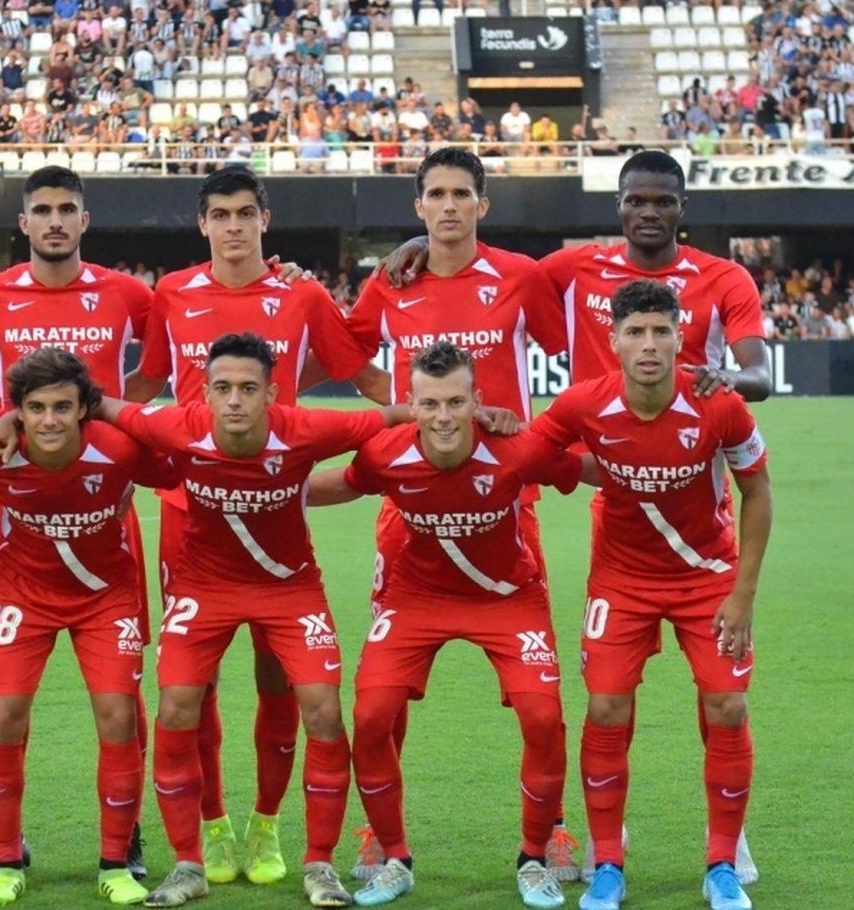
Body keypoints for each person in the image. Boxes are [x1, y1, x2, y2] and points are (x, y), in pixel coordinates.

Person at [382, 149, 768, 882]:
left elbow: (760, 373)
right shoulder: (574, 269)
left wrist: (724, 378)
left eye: (662, 201)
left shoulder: (723, 278)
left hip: (696, 482)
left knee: (720, 694)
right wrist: (420, 244)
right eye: (635, 200)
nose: (648, 212)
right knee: (611, 698)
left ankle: (728, 833)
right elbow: (486, 262)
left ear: (682, 208)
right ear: (618, 206)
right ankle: (603, 838)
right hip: (609, 481)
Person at [94, 331, 412, 909]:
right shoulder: (179, 426)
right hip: (203, 587)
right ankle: (189, 863)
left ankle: (318, 864)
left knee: (322, 708)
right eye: (223, 388)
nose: (234, 400)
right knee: (176, 706)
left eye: (247, 388)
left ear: (271, 393)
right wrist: (19, 413)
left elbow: (393, 415)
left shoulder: (307, 429)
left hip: (289, 588)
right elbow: (108, 407)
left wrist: (480, 416)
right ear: (205, 393)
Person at [134, 168, 386, 890]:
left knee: (282, 682)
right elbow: (145, 388)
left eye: (246, 213)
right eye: (220, 214)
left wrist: (440, 415)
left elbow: (363, 380)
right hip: (191, 520)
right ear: (202, 224)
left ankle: (268, 823)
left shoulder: (302, 295)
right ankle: (211, 824)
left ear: (265, 220)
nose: (234, 226)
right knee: (194, 686)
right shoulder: (171, 293)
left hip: (276, 516)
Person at [339, 145, 580, 885]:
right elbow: (347, 353)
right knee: (382, 697)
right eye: (436, 195)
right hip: (411, 508)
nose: (448, 206)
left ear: (483, 204)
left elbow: (574, 354)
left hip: (504, 502)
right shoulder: (392, 280)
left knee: (540, 708)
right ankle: (381, 833)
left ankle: (552, 830)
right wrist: (400, 411)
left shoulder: (519, 276)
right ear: (419, 207)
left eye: (460, 194)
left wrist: (526, 430)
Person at [306, 340, 587, 909]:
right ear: (410, 404)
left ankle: (534, 858)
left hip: (506, 597)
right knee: (371, 714)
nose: (442, 417)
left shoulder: (516, 448)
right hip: (418, 597)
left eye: (455, 403)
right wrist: (259, 490)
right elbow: (344, 485)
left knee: (543, 717)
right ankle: (395, 858)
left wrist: (661, 470)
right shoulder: (387, 453)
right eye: (429, 404)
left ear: (477, 402)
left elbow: (579, 469)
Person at [528, 279, 770, 910]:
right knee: (606, 707)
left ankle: (722, 862)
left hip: (707, 576)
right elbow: (531, 452)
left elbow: (758, 492)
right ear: (613, 341)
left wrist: (742, 594)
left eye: (661, 331)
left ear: (679, 337)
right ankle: (608, 861)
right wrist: (563, 459)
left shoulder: (719, 405)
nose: (649, 344)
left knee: (727, 707)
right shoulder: (584, 403)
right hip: (621, 580)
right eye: (635, 332)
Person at [0, 165, 160, 884]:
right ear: (23, 223)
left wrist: (108, 420)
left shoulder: (128, 293)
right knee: (5, 704)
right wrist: (4, 415)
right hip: (23, 514)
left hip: (105, 505)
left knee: (121, 704)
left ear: (84, 219)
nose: (54, 221)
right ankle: (0, 843)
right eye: (41, 210)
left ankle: (125, 837)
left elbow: (161, 363)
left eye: (66, 209)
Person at [0, 348, 179, 906]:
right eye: (36, 408)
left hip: (105, 597)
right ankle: (7, 860)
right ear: (18, 412)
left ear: (84, 409)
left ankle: (116, 862)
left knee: (118, 714)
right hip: (23, 594)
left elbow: (178, 460)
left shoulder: (119, 450)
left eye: (62, 407)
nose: (49, 420)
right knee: (4, 713)